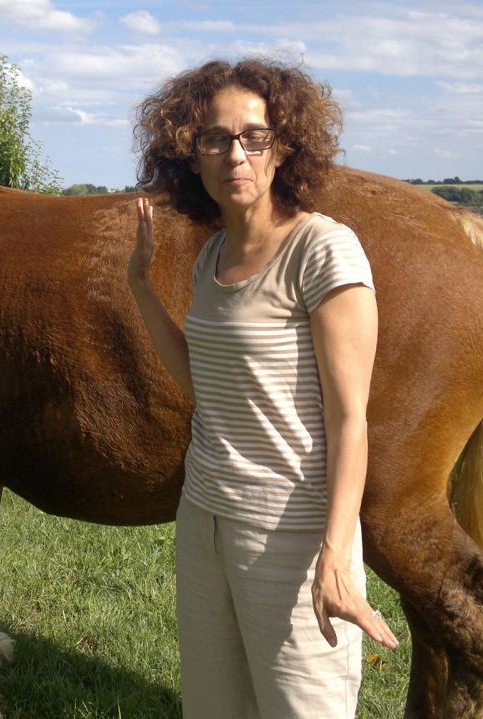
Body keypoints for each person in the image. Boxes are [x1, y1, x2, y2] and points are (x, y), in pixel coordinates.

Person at [127, 58, 399, 718]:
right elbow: (205, 382)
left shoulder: (322, 250)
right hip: (204, 521)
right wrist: (140, 285)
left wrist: (336, 555)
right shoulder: (212, 256)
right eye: (215, 138)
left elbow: (350, 421)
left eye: (254, 136)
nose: (235, 154)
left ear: (285, 147)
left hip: (293, 538)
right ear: (191, 155)